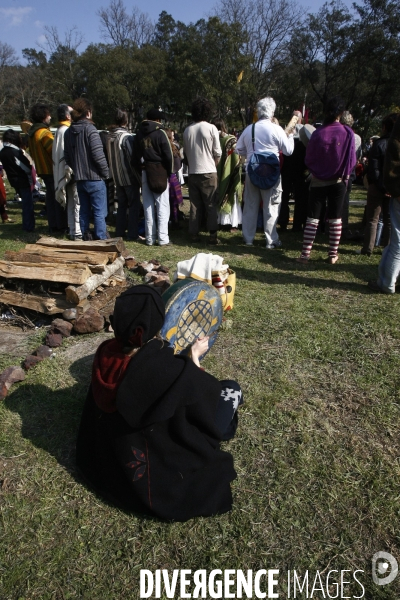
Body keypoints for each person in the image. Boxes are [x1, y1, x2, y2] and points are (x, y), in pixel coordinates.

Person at [76, 285, 242, 521]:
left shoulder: (105, 352)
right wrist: (194, 358)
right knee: (231, 389)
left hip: (106, 463)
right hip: (157, 460)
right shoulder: (161, 369)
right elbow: (202, 395)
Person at [296, 96, 356, 264]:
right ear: (341, 113)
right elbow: (351, 159)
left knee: (312, 218)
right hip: (338, 181)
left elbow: (309, 158)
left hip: (318, 181)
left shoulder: (318, 133)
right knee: (335, 218)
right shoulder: (348, 133)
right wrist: (345, 175)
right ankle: (332, 254)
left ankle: (305, 254)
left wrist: (315, 172)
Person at [236, 97, 294, 248]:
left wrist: (250, 151)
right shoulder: (276, 129)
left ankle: (248, 238)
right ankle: (271, 240)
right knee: (271, 206)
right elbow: (288, 151)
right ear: (272, 111)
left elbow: (238, 149)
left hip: (252, 171)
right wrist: (291, 136)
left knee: (250, 205)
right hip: (271, 173)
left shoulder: (250, 129)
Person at [64, 98, 110, 240]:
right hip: (95, 178)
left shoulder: (68, 132)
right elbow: (98, 155)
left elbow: (68, 157)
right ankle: (101, 240)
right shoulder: (91, 130)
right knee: (99, 212)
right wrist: (106, 173)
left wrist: (77, 169)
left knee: (83, 211)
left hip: (80, 178)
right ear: (88, 113)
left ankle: (85, 239)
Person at [356, 114, 397, 255]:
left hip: (377, 187)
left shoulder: (378, 144)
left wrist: (380, 186)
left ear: (384, 127)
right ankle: (388, 248)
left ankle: (368, 248)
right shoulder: (396, 145)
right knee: (389, 220)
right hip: (393, 188)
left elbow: (374, 169)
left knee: (372, 220)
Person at [131, 107, 173, 246]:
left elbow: (134, 157)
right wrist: (169, 171)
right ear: (157, 120)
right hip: (159, 171)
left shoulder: (138, 134)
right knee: (162, 206)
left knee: (148, 207)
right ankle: (162, 238)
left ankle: (149, 238)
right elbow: (168, 155)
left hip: (145, 171)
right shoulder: (160, 133)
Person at [368, 113, 400, 293]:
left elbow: (389, 162)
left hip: (391, 189)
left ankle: (387, 282)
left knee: (397, 240)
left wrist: (391, 186)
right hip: (392, 189)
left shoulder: (381, 143)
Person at [183, 98, 222, 245]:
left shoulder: (187, 130)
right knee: (211, 204)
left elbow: (185, 154)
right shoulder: (211, 128)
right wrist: (214, 166)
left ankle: (193, 233)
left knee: (194, 204)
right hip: (209, 170)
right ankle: (212, 235)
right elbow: (217, 153)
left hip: (193, 172)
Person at [28, 103, 67, 233]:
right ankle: (60, 225)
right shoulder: (44, 133)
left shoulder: (32, 133)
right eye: (49, 114)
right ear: (44, 116)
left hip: (42, 169)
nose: (50, 117)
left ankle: (53, 224)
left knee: (50, 199)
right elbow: (54, 150)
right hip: (51, 170)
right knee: (57, 199)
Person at [107, 109, 141, 241]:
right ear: (125, 121)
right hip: (128, 177)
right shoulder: (126, 137)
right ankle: (132, 233)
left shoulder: (109, 136)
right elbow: (132, 158)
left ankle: (120, 231)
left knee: (121, 205)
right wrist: (138, 176)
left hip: (117, 177)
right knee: (133, 206)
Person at [52, 104, 82, 241]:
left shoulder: (58, 130)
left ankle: (72, 229)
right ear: (68, 116)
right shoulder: (66, 131)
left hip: (65, 173)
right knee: (76, 202)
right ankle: (76, 231)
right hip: (71, 172)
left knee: (71, 202)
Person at [278, 110, 309, 232]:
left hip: (288, 169)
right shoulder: (304, 131)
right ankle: (297, 224)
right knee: (299, 198)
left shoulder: (286, 131)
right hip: (300, 169)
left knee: (284, 197)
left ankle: (283, 222)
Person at [0, 129, 35, 232]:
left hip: (14, 180)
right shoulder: (14, 151)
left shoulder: (3, 151)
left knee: (25, 204)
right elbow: (25, 166)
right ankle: (28, 226)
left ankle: (27, 225)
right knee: (27, 205)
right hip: (22, 179)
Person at [211, 118, 242, 231]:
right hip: (229, 174)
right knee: (230, 194)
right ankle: (231, 223)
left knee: (216, 196)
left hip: (214, 172)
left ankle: (218, 221)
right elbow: (236, 156)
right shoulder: (231, 139)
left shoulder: (211, 139)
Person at [166, 128, 184, 228]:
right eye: (172, 136)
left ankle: (170, 220)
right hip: (172, 176)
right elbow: (178, 164)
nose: (173, 137)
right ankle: (175, 221)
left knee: (168, 202)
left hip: (166, 177)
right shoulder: (173, 148)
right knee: (173, 202)